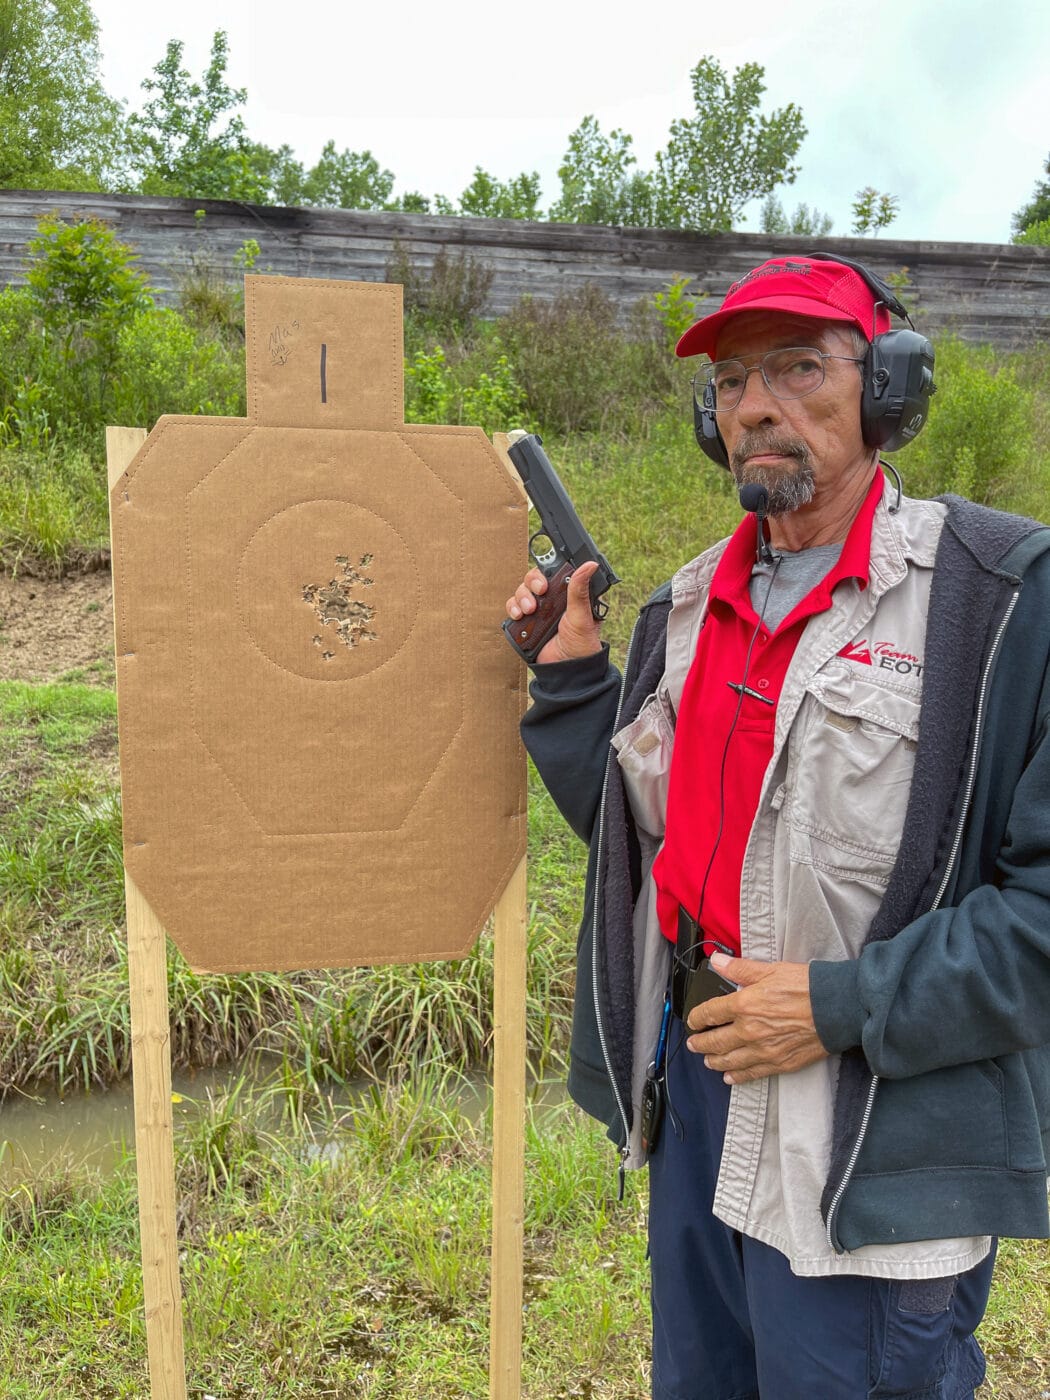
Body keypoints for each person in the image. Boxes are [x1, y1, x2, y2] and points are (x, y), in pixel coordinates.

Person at [506, 254, 1050, 1400]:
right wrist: (571, 680)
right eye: (736, 378)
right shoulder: (688, 605)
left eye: (800, 367)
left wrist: (841, 1004)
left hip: (869, 1128)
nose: (757, 402)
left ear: (889, 389)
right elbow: (646, 851)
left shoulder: (1002, 600)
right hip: (700, 1085)